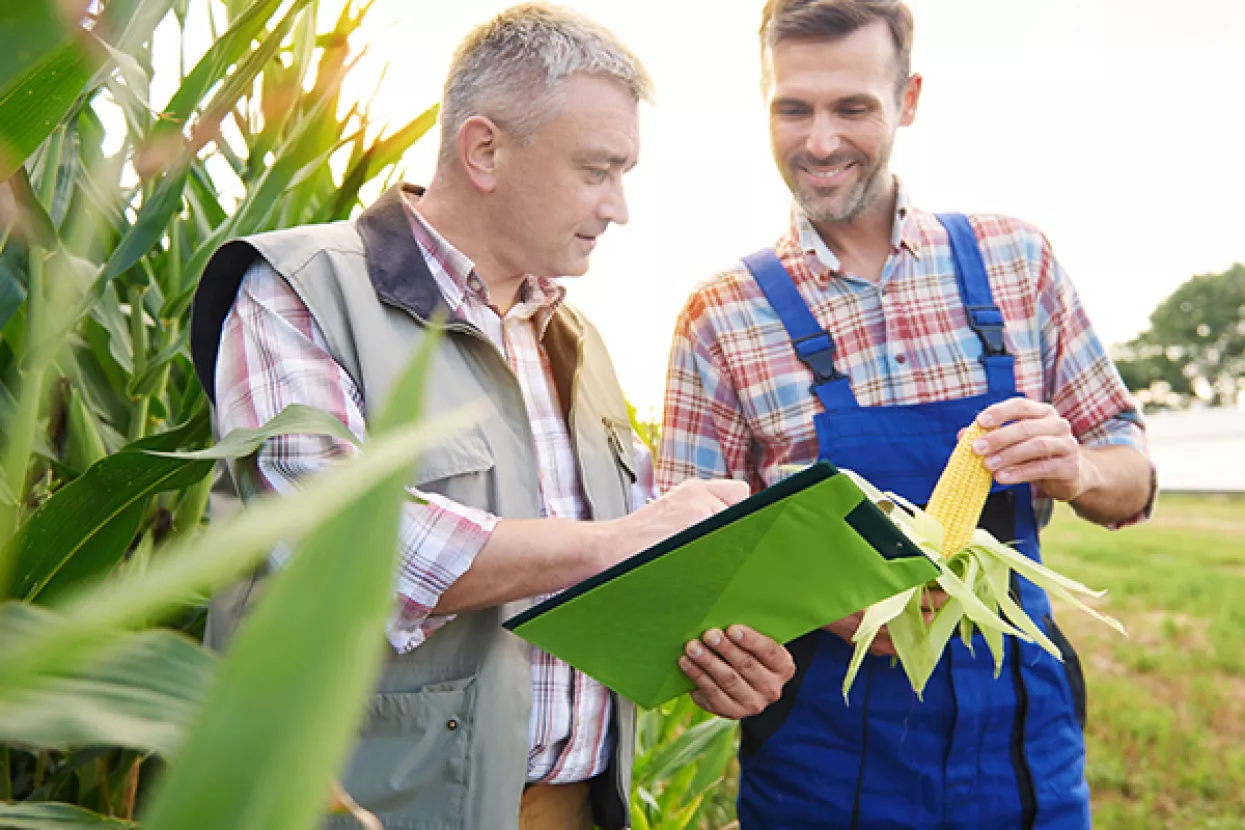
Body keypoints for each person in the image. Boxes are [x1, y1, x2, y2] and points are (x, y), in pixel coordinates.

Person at [188, 5, 794, 830]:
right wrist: (614, 541)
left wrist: (715, 654)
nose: (618, 207)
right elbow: (335, 546)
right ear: (483, 150)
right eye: (596, 170)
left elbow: (626, 575)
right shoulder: (297, 291)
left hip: (573, 810)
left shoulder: (578, 342)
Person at [656, 1, 1156, 828]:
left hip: (1023, 754)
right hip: (822, 767)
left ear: (908, 99)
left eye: (852, 107)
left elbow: (1130, 477)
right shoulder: (720, 315)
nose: (820, 141)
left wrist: (1076, 469)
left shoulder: (1015, 261)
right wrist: (815, 606)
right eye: (793, 109)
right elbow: (683, 561)